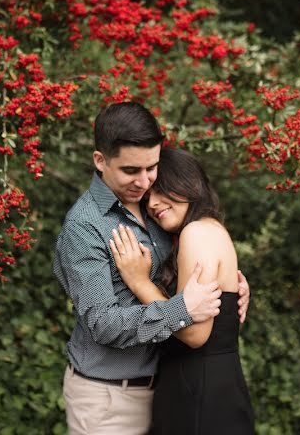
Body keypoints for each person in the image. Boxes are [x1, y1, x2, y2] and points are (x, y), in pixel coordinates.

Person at [53, 102, 250, 435]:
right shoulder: (84, 226)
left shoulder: (158, 211)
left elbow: (183, 270)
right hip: (110, 396)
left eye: (152, 168)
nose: (144, 182)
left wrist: (231, 291)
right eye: (131, 170)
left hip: (167, 387)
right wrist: (181, 309)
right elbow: (103, 322)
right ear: (100, 161)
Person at [110, 147, 255, 434]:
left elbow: (195, 334)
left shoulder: (197, 233)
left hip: (199, 394)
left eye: (161, 188)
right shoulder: (207, 230)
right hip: (208, 388)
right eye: (148, 196)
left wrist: (139, 281)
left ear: (187, 182)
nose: (152, 203)